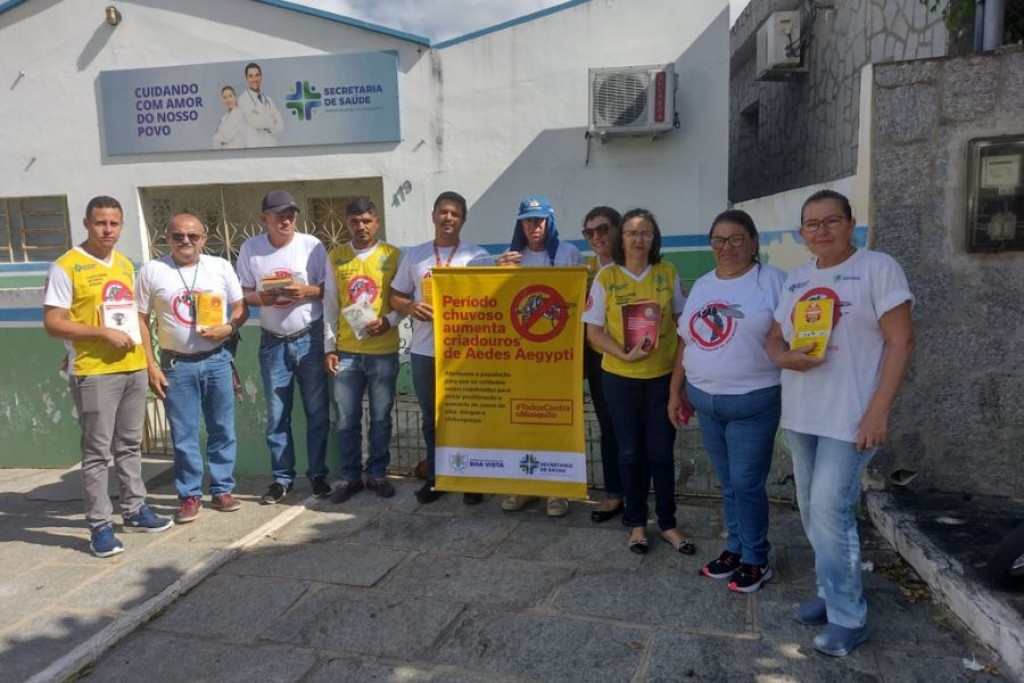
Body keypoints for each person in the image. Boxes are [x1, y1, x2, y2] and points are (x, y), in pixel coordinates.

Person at [766, 189, 914, 657]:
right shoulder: (797, 278)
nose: (822, 230)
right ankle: (830, 592)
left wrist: (878, 410)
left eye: (831, 221)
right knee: (812, 509)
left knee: (831, 510)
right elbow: (773, 338)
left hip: (850, 417)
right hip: (802, 413)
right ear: (801, 233)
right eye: (812, 224)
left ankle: (849, 617)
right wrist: (785, 357)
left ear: (851, 224)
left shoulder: (877, 268)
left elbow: (901, 341)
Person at [42, 196, 173, 558]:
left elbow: (136, 319)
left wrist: (149, 364)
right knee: (97, 453)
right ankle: (100, 526)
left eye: (114, 223)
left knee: (130, 445)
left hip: (132, 367)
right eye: (100, 223)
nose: (107, 230)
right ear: (86, 223)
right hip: (95, 372)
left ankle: (135, 510)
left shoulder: (125, 265)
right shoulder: (66, 266)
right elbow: (53, 322)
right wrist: (100, 334)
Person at [669, 209, 786, 593]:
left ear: (753, 242)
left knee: (747, 483)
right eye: (719, 240)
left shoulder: (774, 282)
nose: (727, 247)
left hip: (753, 402)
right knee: (728, 483)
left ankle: (756, 558)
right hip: (705, 402)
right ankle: (735, 548)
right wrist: (675, 391)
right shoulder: (703, 284)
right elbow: (685, 341)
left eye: (736, 239)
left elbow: (794, 336)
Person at [582, 208, 693, 555]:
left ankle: (668, 523)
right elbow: (593, 332)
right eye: (631, 233)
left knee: (660, 452)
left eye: (645, 232)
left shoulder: (667, 272)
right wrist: (623, 353)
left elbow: (683, 326)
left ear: (654, 238)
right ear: (622, 238)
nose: (638, 239)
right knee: (629, 452)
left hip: (661, 380)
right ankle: (636, 523)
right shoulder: (607, 277)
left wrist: (680, 382)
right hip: (620, 379)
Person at [137, 213, 248, 524]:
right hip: (177, 365)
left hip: (217, 360)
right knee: (183, 434)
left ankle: (223, 489)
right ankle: (189, 495)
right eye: (178, 236)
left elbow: (241, 308)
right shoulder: (152, 271)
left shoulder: (220, 266)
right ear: (167, 238)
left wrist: (228, 328)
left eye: (192, 236)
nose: (185, 241)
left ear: (203, 239)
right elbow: (140, 319)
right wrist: (150, 366)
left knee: (222, 429)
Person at [390, 191, 489, 505]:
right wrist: (410, 306)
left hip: (464, 355)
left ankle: (471, 479)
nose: (448, 218)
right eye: (444, 212)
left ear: (463, 220)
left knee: (466, 418)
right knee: (431, 419)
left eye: (455, 214)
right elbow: (395, 296)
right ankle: (437, 477)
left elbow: (493, 297)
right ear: (433, 215)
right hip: (424, 352)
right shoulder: (415, 256)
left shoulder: (477, 257)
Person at [236, 190, 331, 504]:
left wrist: (307, 290)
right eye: (279, 215)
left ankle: (318, 475)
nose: (286, 220)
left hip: (310, 338)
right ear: (264, 218)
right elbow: (243, 292)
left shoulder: (311, 245)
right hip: (272, 342)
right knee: (277, 415)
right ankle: (282, 479)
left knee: (317, 412)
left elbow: (328, 290)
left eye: (291, 214)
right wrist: (260, 298)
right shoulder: (251, 249)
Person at [495, 195, 583, 518]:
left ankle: (558, 491)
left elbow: (580, 300)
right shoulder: (510, 258)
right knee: (521, 422)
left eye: (540, 220)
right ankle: (524, 485)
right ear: (520, 224)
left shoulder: (568, 254)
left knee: (558, 421)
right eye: (528, 221)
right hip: (521, 358)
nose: (534, 226)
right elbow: (496, 302)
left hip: (559, 357)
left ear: (550, 222)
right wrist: (496, 271)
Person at [323, 197, 402, 502]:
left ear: (377, 223)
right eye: (355, 221)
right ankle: (350, 477)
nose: (361, 227)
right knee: (347, 420)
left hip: (383, 351)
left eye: (367, 221)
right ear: (347, 223)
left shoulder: (392, 255)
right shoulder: (336, 257)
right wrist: (329, 347)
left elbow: (403, 299)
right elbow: (330, 306)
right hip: (347, 353)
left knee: (381, 418)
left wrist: (389, 320)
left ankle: (377, 474)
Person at [581, 206, 625, 524]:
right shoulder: (583, 272)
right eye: (589, 232)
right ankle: (614, 494)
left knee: (635, 429)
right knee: (608, 426)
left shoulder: (634, 265)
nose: (596, 236)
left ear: (618, 229)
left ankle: (638, 495)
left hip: (634, 358)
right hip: (598, 358)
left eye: (603, 229)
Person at [238, 62, 283, 148]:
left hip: (272, 145)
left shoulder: (269, 100)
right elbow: (256, 123)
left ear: (261, 77)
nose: (254, 79)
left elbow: (281, 126)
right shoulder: (242, 100)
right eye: (251, 76)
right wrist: (272, 121)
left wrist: (263, 120)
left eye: (257, 75)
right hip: (255, 147)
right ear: (246, 79)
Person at [212, 85, 245, 150]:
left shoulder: (239, 114)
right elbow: (215, 144)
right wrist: (219, 140)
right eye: (225, 97)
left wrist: (218, 139)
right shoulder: (224, 118)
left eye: (230, 96)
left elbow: (225, 136)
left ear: (235, 97)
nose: (228, 100)